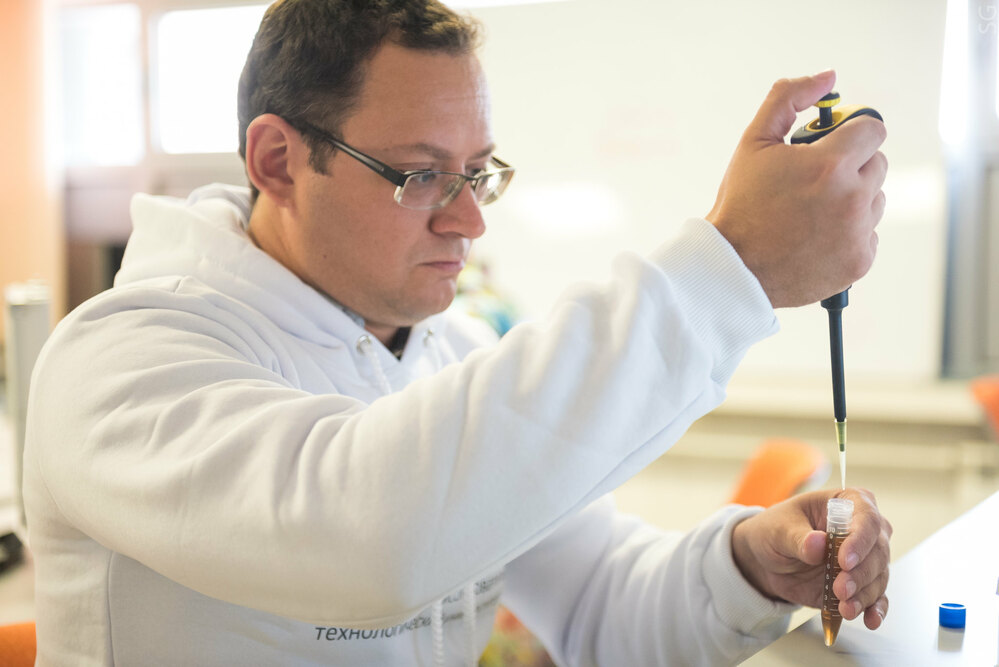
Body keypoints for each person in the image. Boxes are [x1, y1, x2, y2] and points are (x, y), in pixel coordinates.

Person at [22, 1, 891, 665]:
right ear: (277, 162)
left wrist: (749, 565)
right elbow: (369, 538)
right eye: (421, 175)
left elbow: (599, 602)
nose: (468, 220)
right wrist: (729, 267)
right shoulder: (123, 361)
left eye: (477, 173)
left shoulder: (452, 349)